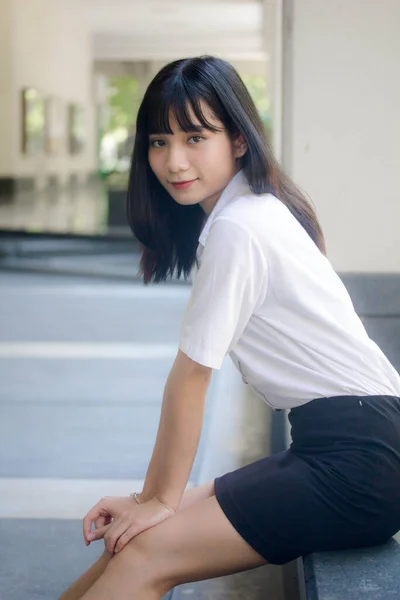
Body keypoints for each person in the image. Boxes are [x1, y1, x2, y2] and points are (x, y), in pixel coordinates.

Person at [58, 55, 400, 600]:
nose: (174, 160)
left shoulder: (239, 229)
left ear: (238, 140)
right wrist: (151, 500)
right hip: (343, 444)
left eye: (196, 137)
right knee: (129, 543)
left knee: (147, 550)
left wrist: (159, 502)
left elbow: (191, 377)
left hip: (357, 462)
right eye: (158, 141)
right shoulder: (250, 210)